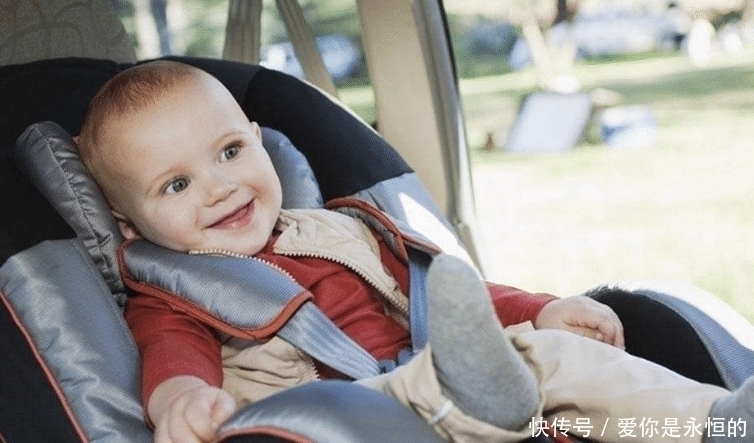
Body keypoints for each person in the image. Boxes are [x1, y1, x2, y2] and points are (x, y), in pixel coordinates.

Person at [76, 60, 751, 443]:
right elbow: (173, 358)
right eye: (177, 183)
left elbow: (447, 292)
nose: (220, 186)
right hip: (351, 418)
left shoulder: (348, 228)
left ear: (259, 139)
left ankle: (714, 423)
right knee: (445, 380)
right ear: (128, 225)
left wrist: (542, 310)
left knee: (555, 356)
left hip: (450, 374)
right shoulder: (172, 293)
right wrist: (182, 400)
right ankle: (487, 395)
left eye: (230, 151)